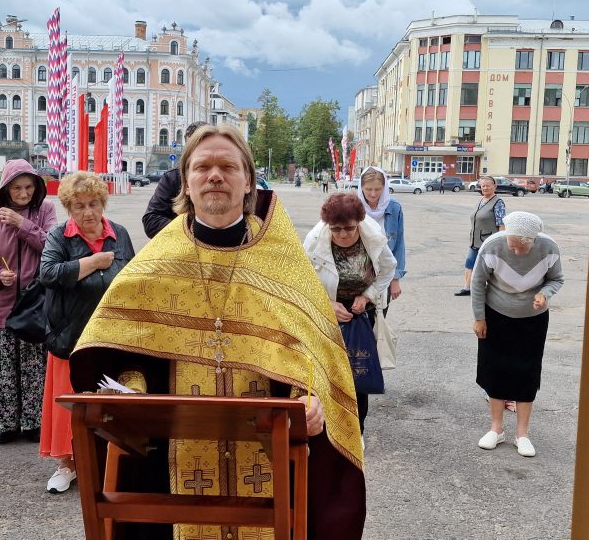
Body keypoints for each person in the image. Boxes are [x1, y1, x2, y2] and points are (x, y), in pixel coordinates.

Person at [72, 124, 366, 539]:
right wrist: (130, 392)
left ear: (248, 181)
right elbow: (122, 354)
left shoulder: (283, 262)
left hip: (267, 451)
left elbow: (312, 352)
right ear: (186, 183)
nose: (215, 175)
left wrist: (309, 399)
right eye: (202, 166)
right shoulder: (156, 263)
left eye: (228, 166)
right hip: (176, 456)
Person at [38, 171, 135, 493]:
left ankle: (106, 461)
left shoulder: (118, 233)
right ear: (68, 207)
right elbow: (48, 274)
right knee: (70, 404)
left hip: (109, 335)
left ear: (102, 203)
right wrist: (92, 263)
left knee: (109, 402)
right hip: (70, 334)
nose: (88, 212)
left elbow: (131, 276)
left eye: (93, 204)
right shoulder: (59, 236)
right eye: (79, 206)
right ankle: (66, 464)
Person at [0, 159, 57, 444]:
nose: (23, 193)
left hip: (35, 302)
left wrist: (23, 224)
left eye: (29, 187)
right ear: (6, 189)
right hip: (1, 304)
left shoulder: (45, 210)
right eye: (17, 188)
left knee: (34, 365)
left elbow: (52, 247)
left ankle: (34, 423)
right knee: (2, 365)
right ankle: (5, 424)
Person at [472, 211, 564, 457]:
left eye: (521, 247)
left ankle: (522, 434)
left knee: (527, 373)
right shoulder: (493, 246)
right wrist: (479, 318)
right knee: (494, 370)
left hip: (532, 319)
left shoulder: (549, 248)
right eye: (511, 245)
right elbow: (478, 283)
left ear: (532, 240)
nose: (515, 251)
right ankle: (496, 429)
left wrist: (544, 294)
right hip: (496, 315)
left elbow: (556, 279)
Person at [304, 192, 396, 429]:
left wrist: (367, 296)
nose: (343, 234)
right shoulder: (314, 241)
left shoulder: (373, 237)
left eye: (349, 228)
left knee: (358, 374)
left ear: (359, 223)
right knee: (327, 373)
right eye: (336, 229)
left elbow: (388, 269)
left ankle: (357, 431)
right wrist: (327, 305)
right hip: (328, 313)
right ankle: (328, 427)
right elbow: (303, 281)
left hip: (361, 313)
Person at [142, 120, 208, 238]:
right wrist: (190, 231)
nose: (196, 152)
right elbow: (151, 221)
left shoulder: (229, 177)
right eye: (191, 146)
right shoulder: (173, 177)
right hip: (182, 251)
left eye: (202, 146)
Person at [357, 166, 406, 314]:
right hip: (357, 275)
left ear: (384, 188)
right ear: (361, 187)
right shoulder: (353, 206)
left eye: (378, 189)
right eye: (368, 189)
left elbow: (398, 244)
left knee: (379, 319)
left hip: (384, 274)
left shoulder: (394, 208)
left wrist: (396, 278)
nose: (373, 194)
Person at [454, 175, 505, 297]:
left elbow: (501, 223)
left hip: (489, 242)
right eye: (483, 186)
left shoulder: (498, 203)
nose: (485, 188)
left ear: (494, 186)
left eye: (488, 186)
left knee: (489, 267)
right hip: (475, 240)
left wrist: (501, 242)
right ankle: (467, 288)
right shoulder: (481, 201)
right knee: (469, 263)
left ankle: (496, 290)